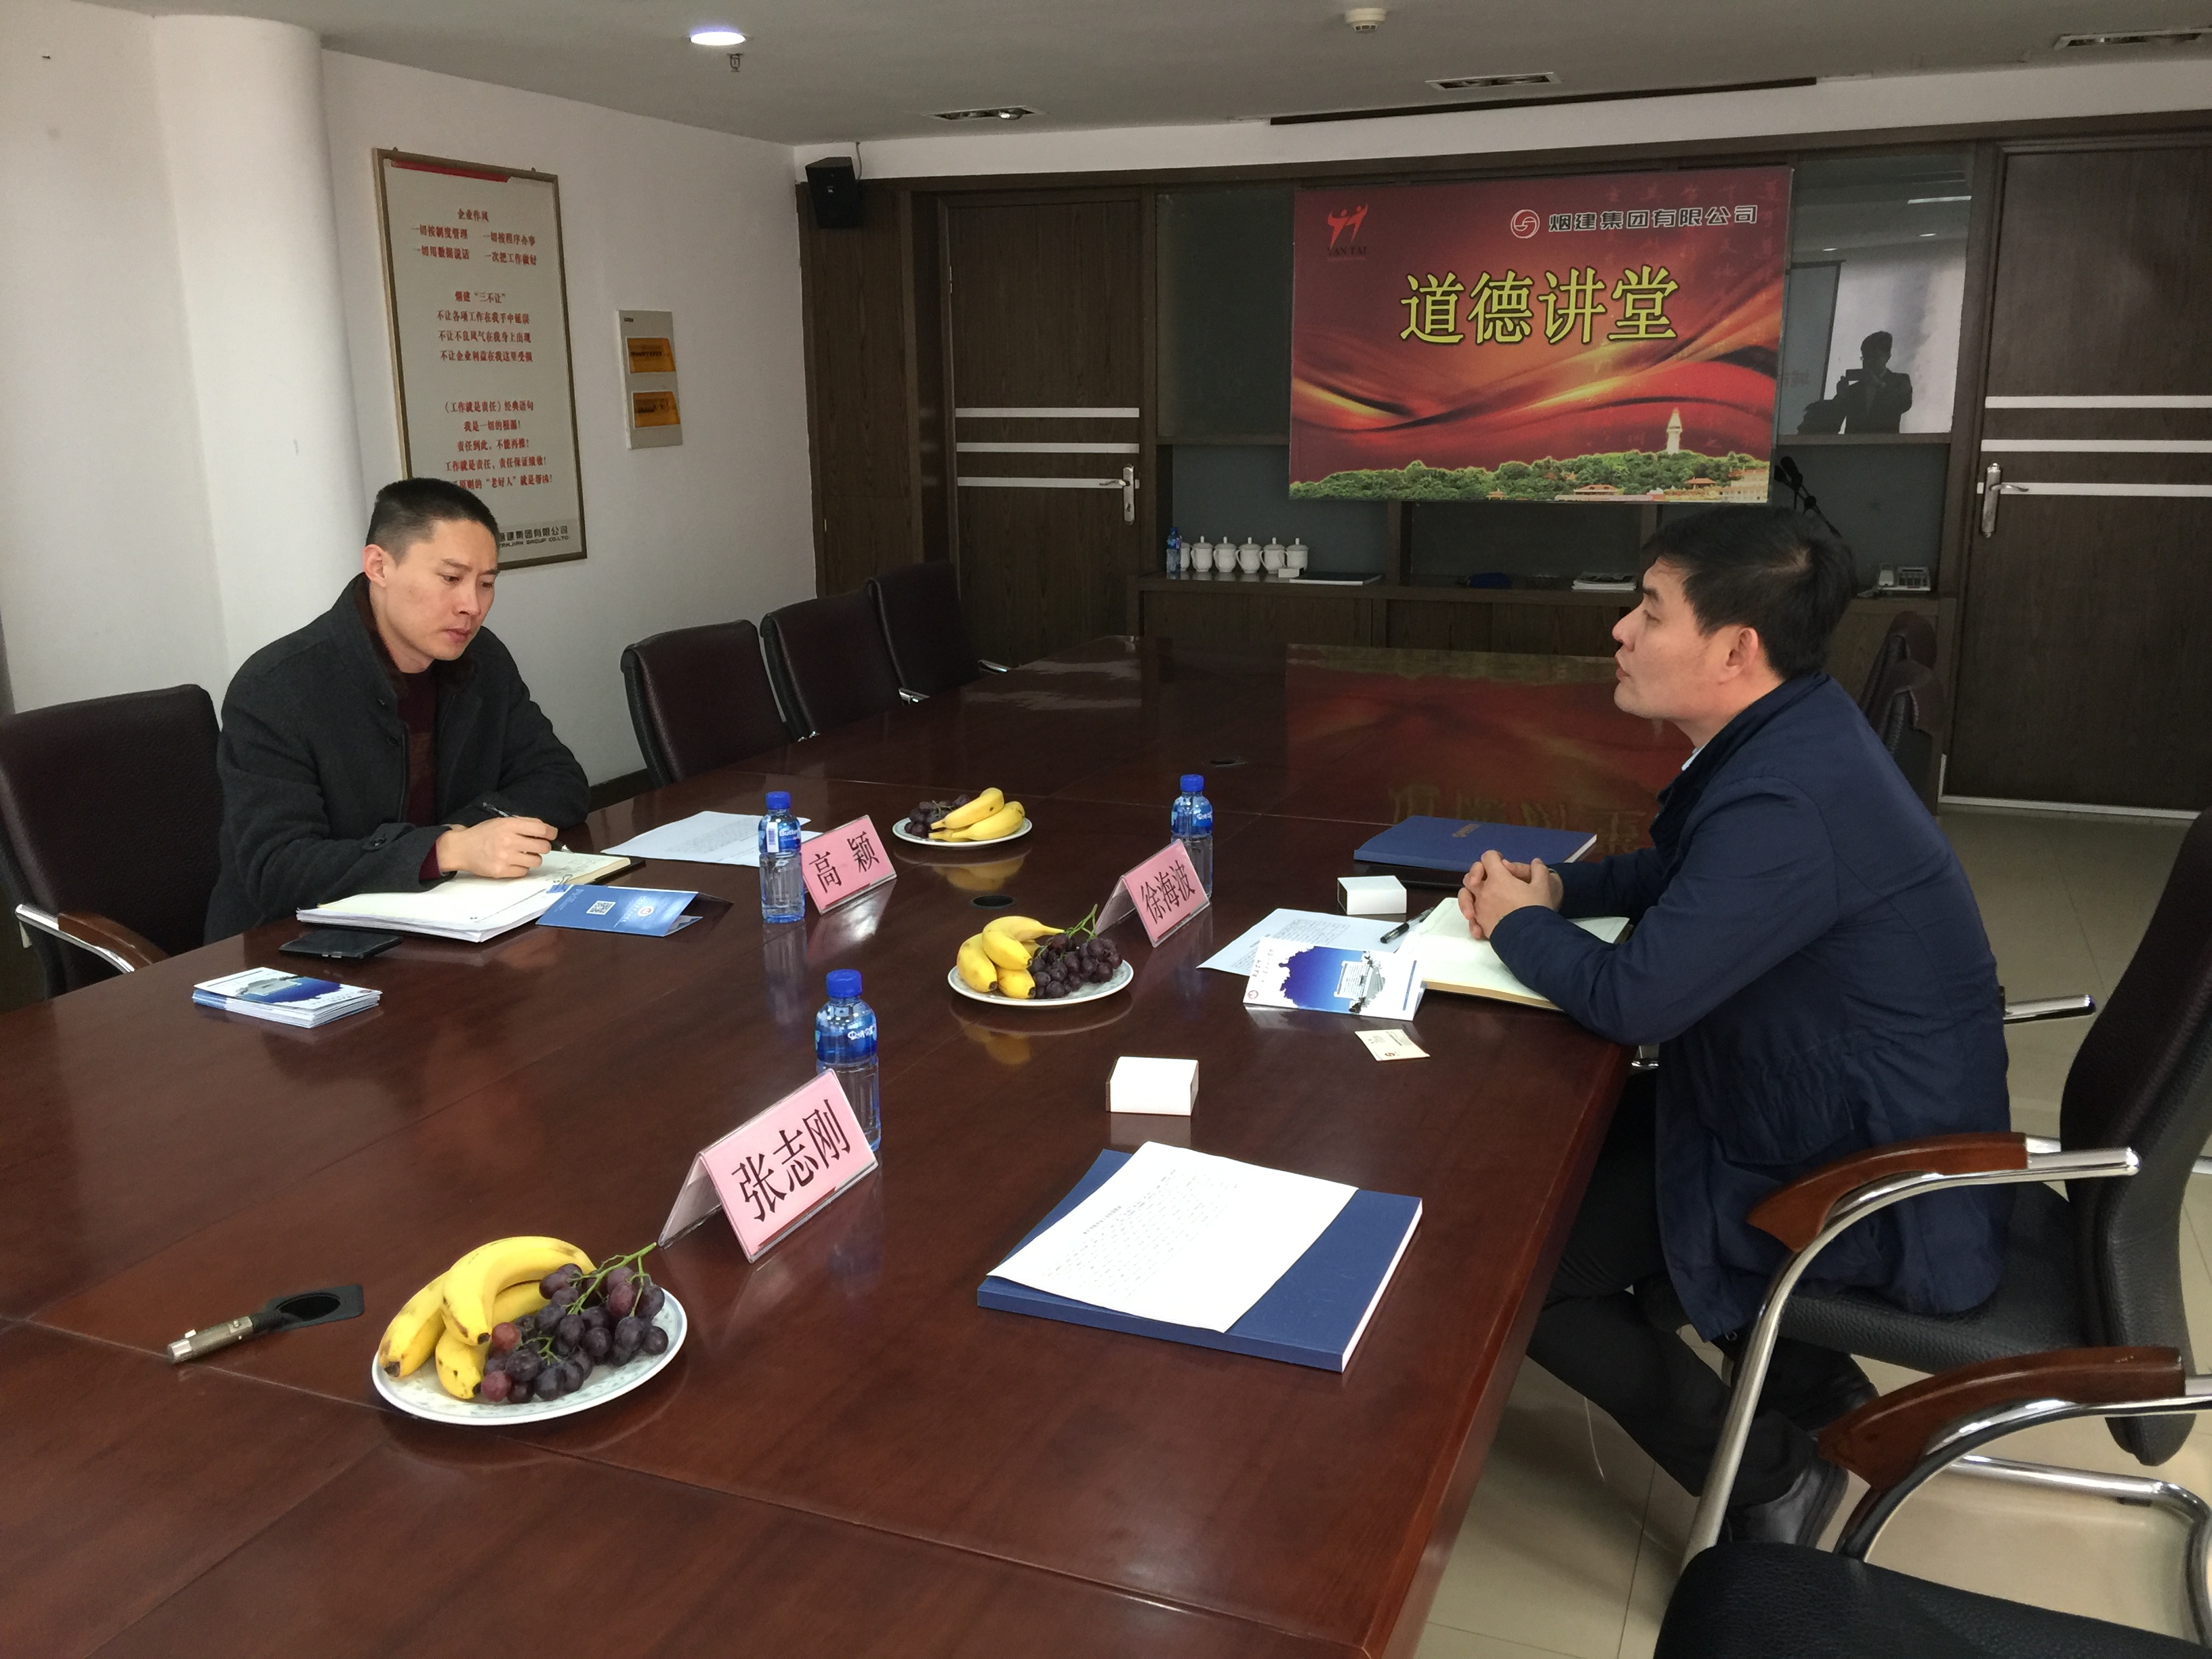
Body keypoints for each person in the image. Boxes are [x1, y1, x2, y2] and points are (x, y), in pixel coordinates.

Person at [1458, 507, 2006, 1547]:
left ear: (1734, 649)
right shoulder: (1794, 729)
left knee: (1518, 1262)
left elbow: (1635, 1000)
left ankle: (1768, 1480)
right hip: (1816, 1098)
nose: (1621, 630)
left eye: (1650, 612)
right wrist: (1561, 890)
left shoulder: (1786, 800)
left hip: (1865, 1169)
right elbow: (1684, 873)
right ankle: (1810, 1381)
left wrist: (1522, 925)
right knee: (1532, 1164)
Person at [207, 478, 589, 937]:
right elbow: (278, 869)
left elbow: (560, 781)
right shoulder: (277, 687)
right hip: (295, 942)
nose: (472, 605)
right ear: (379, 566)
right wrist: (444, 850)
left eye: (486, 583)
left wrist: (460, 839)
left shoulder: (482, 659)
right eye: (451, 579)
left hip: (450, 917)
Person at [1834, 330, 1913, 434]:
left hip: (1885, 443)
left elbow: (1904, 403)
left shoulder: (1900, 381)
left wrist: (1880, 385)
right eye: (1865, 357)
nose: (1869, 362)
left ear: (1887, 356)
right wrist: (1841, 397)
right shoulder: (1853, 390)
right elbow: (1833, 425)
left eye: (1875, 357)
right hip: (1855, 444)